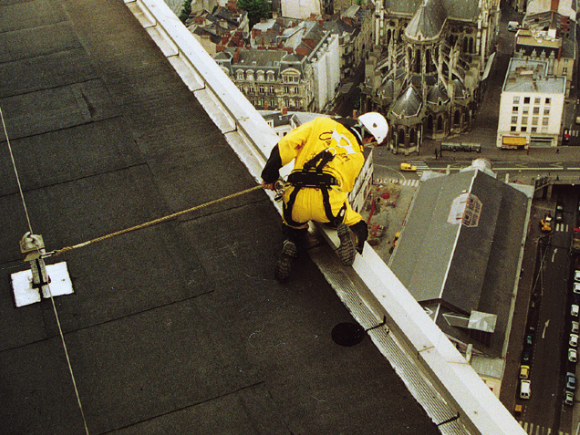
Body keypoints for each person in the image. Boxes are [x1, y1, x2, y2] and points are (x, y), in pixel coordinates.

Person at [261, 112, 389, 282]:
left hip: (295, 196)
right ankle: (352, 236)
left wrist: (269, 175)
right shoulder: (357, 157)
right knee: (358, 224)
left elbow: (286, 145)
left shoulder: (320, 124)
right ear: (369, 138)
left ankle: (291, 242)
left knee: (292, 225)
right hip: (327, 204)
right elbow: (345, 188)